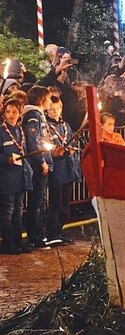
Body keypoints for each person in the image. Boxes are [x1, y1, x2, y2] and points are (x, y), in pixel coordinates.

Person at [45, 96, 80, 245]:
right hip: (56, 170)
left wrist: (72, 149)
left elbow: (71, 138)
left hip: (68, 167)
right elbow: (44, 143)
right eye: (52, 109)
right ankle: (52, 232)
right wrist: (53, 150)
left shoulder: (65, 125)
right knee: (56, 202)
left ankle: (60, 230)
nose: (55, 111)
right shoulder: (46, 125)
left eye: (57, 108)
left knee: (65, 203)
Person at [22, 86, 54, 249]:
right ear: (42, 99)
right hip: (36, 164)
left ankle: (39, 234)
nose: (50, 101)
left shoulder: (38, 114)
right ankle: (35, 237)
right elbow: (33, 140)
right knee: (36, 200)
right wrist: (41, 161)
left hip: (41, 161)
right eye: (48, 98)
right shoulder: (33, 115)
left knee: (40, 200)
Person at [0, 99, 33, 254]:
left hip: (20, 176)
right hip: (7, 176)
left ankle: (18, 241)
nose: (11, 115)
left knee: (19, 209)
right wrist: (7, 160)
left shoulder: (20, 131)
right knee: (8, 210)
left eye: (14, 112)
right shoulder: (1, 131)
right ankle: (8, 243)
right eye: (8, 112)